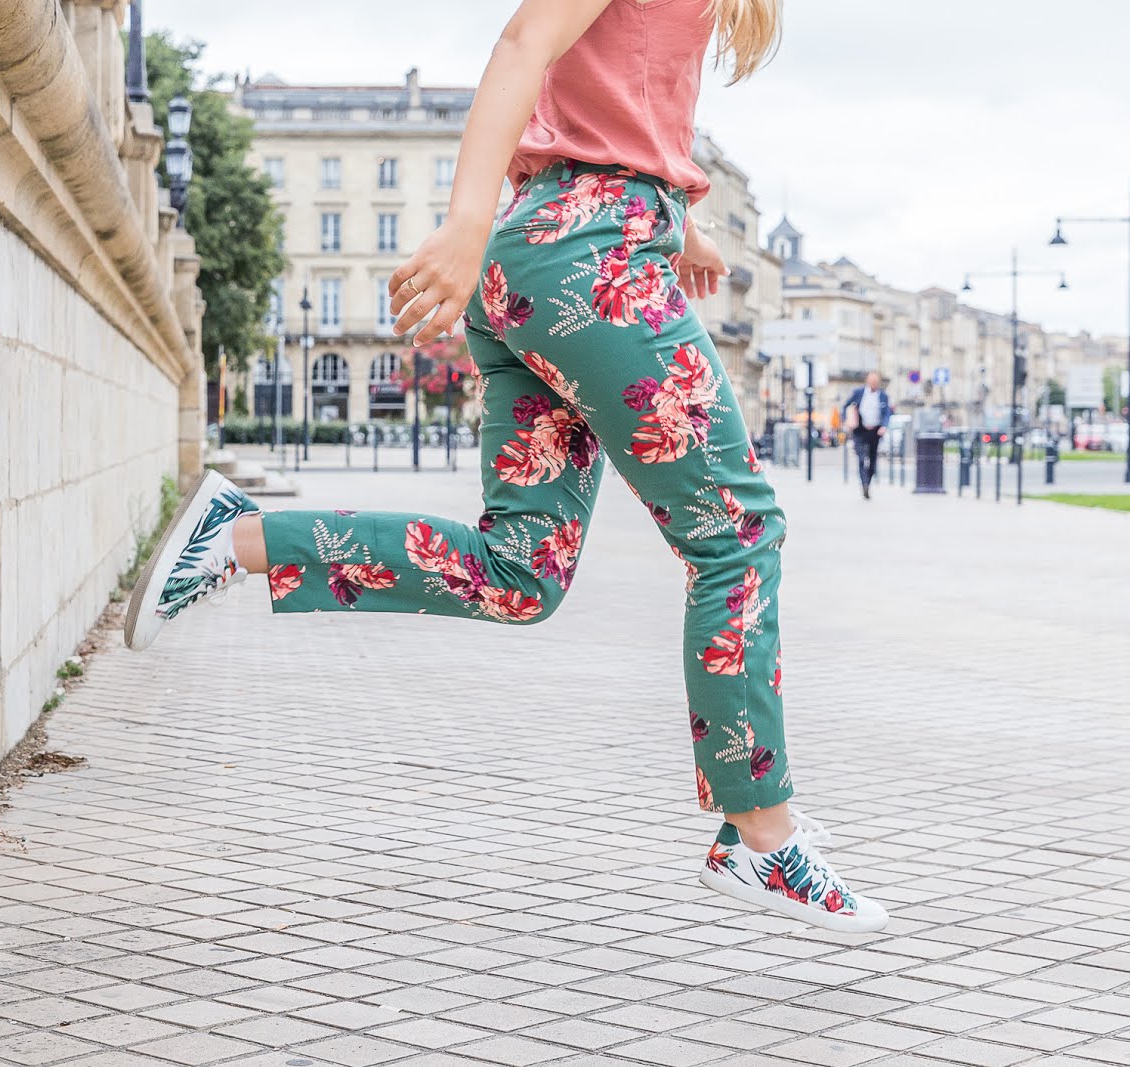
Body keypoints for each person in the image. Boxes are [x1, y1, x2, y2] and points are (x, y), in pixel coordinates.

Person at [124, 0, 885, 933]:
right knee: (737, 532)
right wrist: (462, 222)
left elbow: (614, 89)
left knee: (521, 572)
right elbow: (525, 43)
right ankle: (762, 837)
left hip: (566, 247)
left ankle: (237, 539)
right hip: (588, 259)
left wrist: (677, 218)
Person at [843, 371, 892, 498]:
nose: (873, 383)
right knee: (861, 458)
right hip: (860, 430)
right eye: (871, 381)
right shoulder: (858, 393)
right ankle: (864, 483)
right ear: (867, 381)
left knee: (872, 460)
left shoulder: (883, 396)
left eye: (876, 381)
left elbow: (887, 413)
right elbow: (845, 406)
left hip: (875, 431)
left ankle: (868, 483)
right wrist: (847, 420)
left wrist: (884, 426)